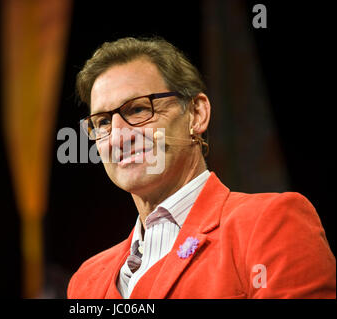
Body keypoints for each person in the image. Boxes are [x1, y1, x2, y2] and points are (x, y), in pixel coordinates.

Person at [67, 37, 336, 299]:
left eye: (138, 109)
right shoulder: (87, 280)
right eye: (102, 122)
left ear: (197, 114)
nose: (118, 136)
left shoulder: (269, 225)